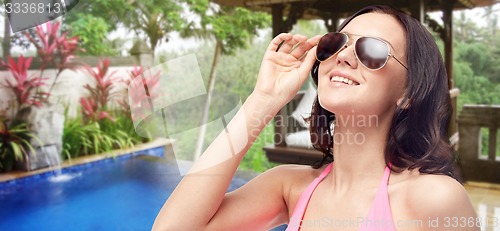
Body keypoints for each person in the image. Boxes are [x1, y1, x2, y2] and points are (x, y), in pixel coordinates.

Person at [152, 5, 479, 231]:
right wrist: (263, 100)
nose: (344, 57)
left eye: (373, 51)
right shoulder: (290, 188)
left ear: (407, 92)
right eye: (335, 43)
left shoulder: (433, 199)